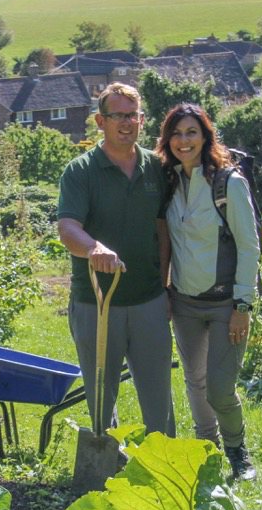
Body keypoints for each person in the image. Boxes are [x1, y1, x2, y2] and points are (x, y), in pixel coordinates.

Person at [56, 82, 175, 437]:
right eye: (117, 116)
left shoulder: (156, 168)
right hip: (96, 303)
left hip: (149, 300)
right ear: (100, 120)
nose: (126, 123)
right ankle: (107, 463)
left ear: (142, 120)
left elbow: (164, 230)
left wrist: (166, 286)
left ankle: (164, 466)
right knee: (101, 393)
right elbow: (67, 227)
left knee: (158, 396)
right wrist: (94, 249)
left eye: (133, 115)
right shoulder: (80, 171)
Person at [156, 103, 259, 479]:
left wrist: (242, 305)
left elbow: (249, 246)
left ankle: (238, 452)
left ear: (205, 136)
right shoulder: (168, 183)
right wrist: (165, 288)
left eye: (192, 132)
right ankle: (206, 449)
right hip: (184, 303)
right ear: (168, 140)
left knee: (219, 388)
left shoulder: (228, 184)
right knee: (195, 381)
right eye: (177, 133)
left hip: (225, 304)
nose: (184, 141)